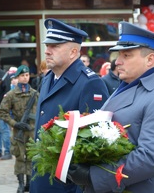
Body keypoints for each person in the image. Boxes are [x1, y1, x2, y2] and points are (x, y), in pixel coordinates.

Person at [67, 21, 154, 192]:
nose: (118, 62)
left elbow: (151, 158)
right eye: (119, 55)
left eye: (126, 55)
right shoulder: (128, 86)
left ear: (150, 60)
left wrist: (95, 176)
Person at [29, 18, 109, 193]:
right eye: (47, 45)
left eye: (54, 46)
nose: (47, 51)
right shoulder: (49, 77)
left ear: (73, 52)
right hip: (42, 177)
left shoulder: (90, 83)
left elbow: (94, 142)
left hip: (67, 184)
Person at [0, 65, 38, 193]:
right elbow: (2, 112)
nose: (25, 78)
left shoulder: (34, 94)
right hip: (18, 132)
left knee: (31, 157)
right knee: (20, 157)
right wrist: (15, 123)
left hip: (31, 130)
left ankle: (29, 183)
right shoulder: (11, 95)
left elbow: (40, 112)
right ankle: (21, 184)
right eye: (22, 75)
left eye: (27, 75)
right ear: (17, 77)